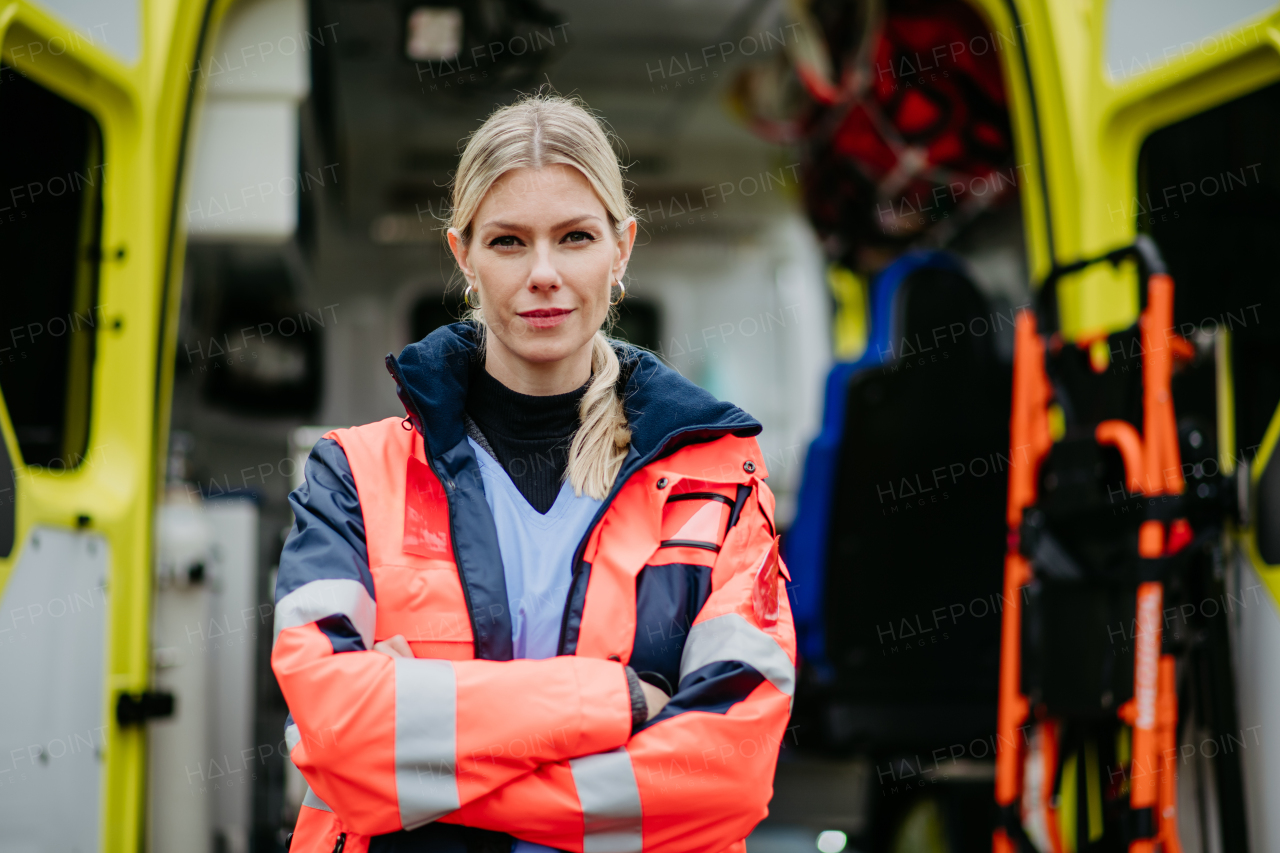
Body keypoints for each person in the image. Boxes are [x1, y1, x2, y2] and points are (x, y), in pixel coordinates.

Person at [273, 93, 795, 853]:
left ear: (622, 249)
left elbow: (728, 771)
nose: (543, 273)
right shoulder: (353, 474)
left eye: (575, 237)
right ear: (464, 256)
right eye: (509, 241)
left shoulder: (717, 482)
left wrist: (426, 774)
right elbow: (338, 729)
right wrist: (617, 700)